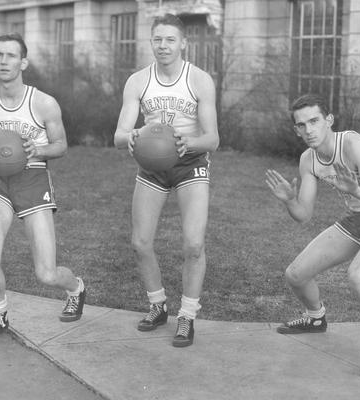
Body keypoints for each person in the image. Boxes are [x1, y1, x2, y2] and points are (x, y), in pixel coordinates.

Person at [265, 93, 360, 379]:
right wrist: (289, 200)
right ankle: (316, 318)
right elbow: (303, 214)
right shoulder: (308, 159)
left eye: (314, 121)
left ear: (329, 120)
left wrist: (354, 190)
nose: (309, 130)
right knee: (296, 274)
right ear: (296, 129)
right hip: (356, 219)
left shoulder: (355, 145)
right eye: (301, 125)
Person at [0, 33, 86, 342]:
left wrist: (38, 150)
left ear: (23, 62)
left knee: (46, 275)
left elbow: (61, 145)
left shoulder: (44, 103)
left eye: (10, 55)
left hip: (33, 180)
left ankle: (76, 287)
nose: (4, 61)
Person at [114, 14, 219, 347]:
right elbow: (119, 134)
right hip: (152, 162)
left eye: (170, 40)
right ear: (151, 42)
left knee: (193, 244)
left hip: (189, 161)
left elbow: (213, 138)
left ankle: (186, 316)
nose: (163, 46)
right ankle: (157, 306)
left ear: (183, 43)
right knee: (140, 242)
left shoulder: (199, 80)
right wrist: (129, 138)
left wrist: (188, 143)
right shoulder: (138, 82)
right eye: (158, 39)